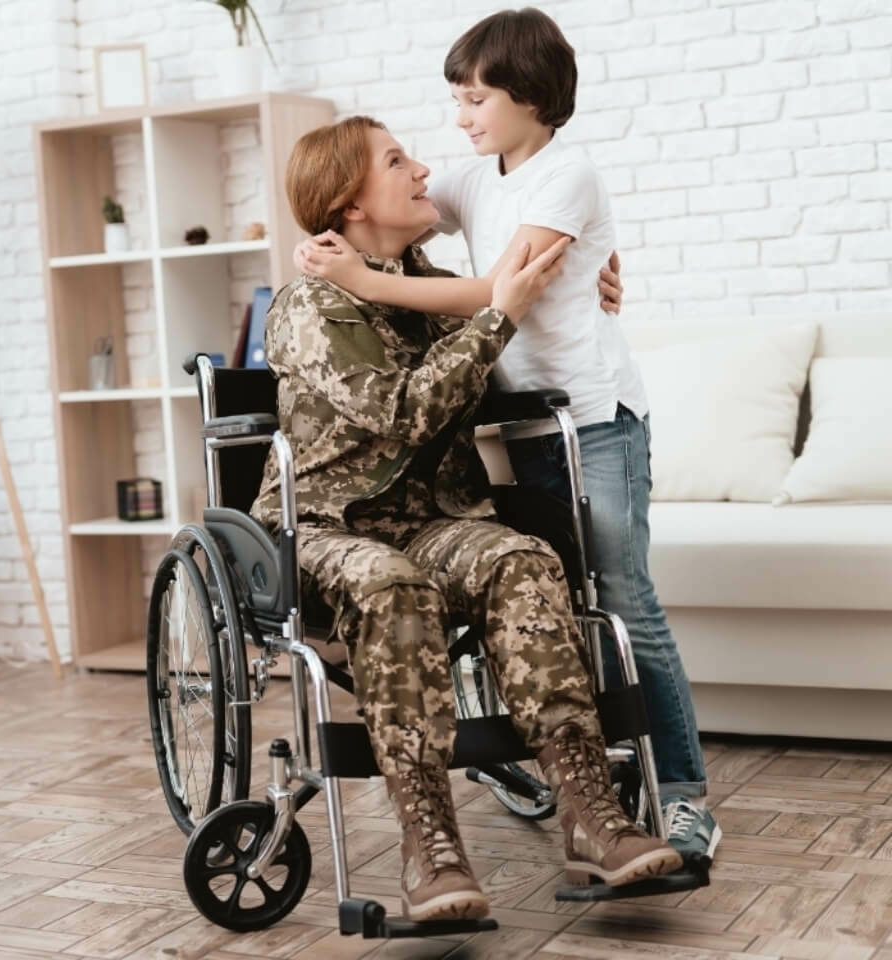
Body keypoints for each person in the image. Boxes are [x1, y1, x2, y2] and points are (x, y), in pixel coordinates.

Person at [291, 8, 719, 866]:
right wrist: (342, 266)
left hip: (590, 419)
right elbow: (406, 222)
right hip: (512, 433)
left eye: (473, 97)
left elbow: (496, 289)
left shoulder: (566, 176)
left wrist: (366, 280)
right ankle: (546, 795)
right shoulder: (475, 182)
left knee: (617, 597)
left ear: (526, 95)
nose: (453, 126)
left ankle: (677, 797)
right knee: (566, 590)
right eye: (455, 101)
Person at [252, 115, 681, 924]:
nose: (423, 170)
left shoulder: (431, 287)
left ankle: (592, 818)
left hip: (433, 519)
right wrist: (501, 313)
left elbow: (510, 341)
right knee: (392, 586)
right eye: (396, 160)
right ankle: (431, 849)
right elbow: (405, 411)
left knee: (521, 559)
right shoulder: (309, 303)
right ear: (347, 205)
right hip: (328, 527)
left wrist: (583, 289)